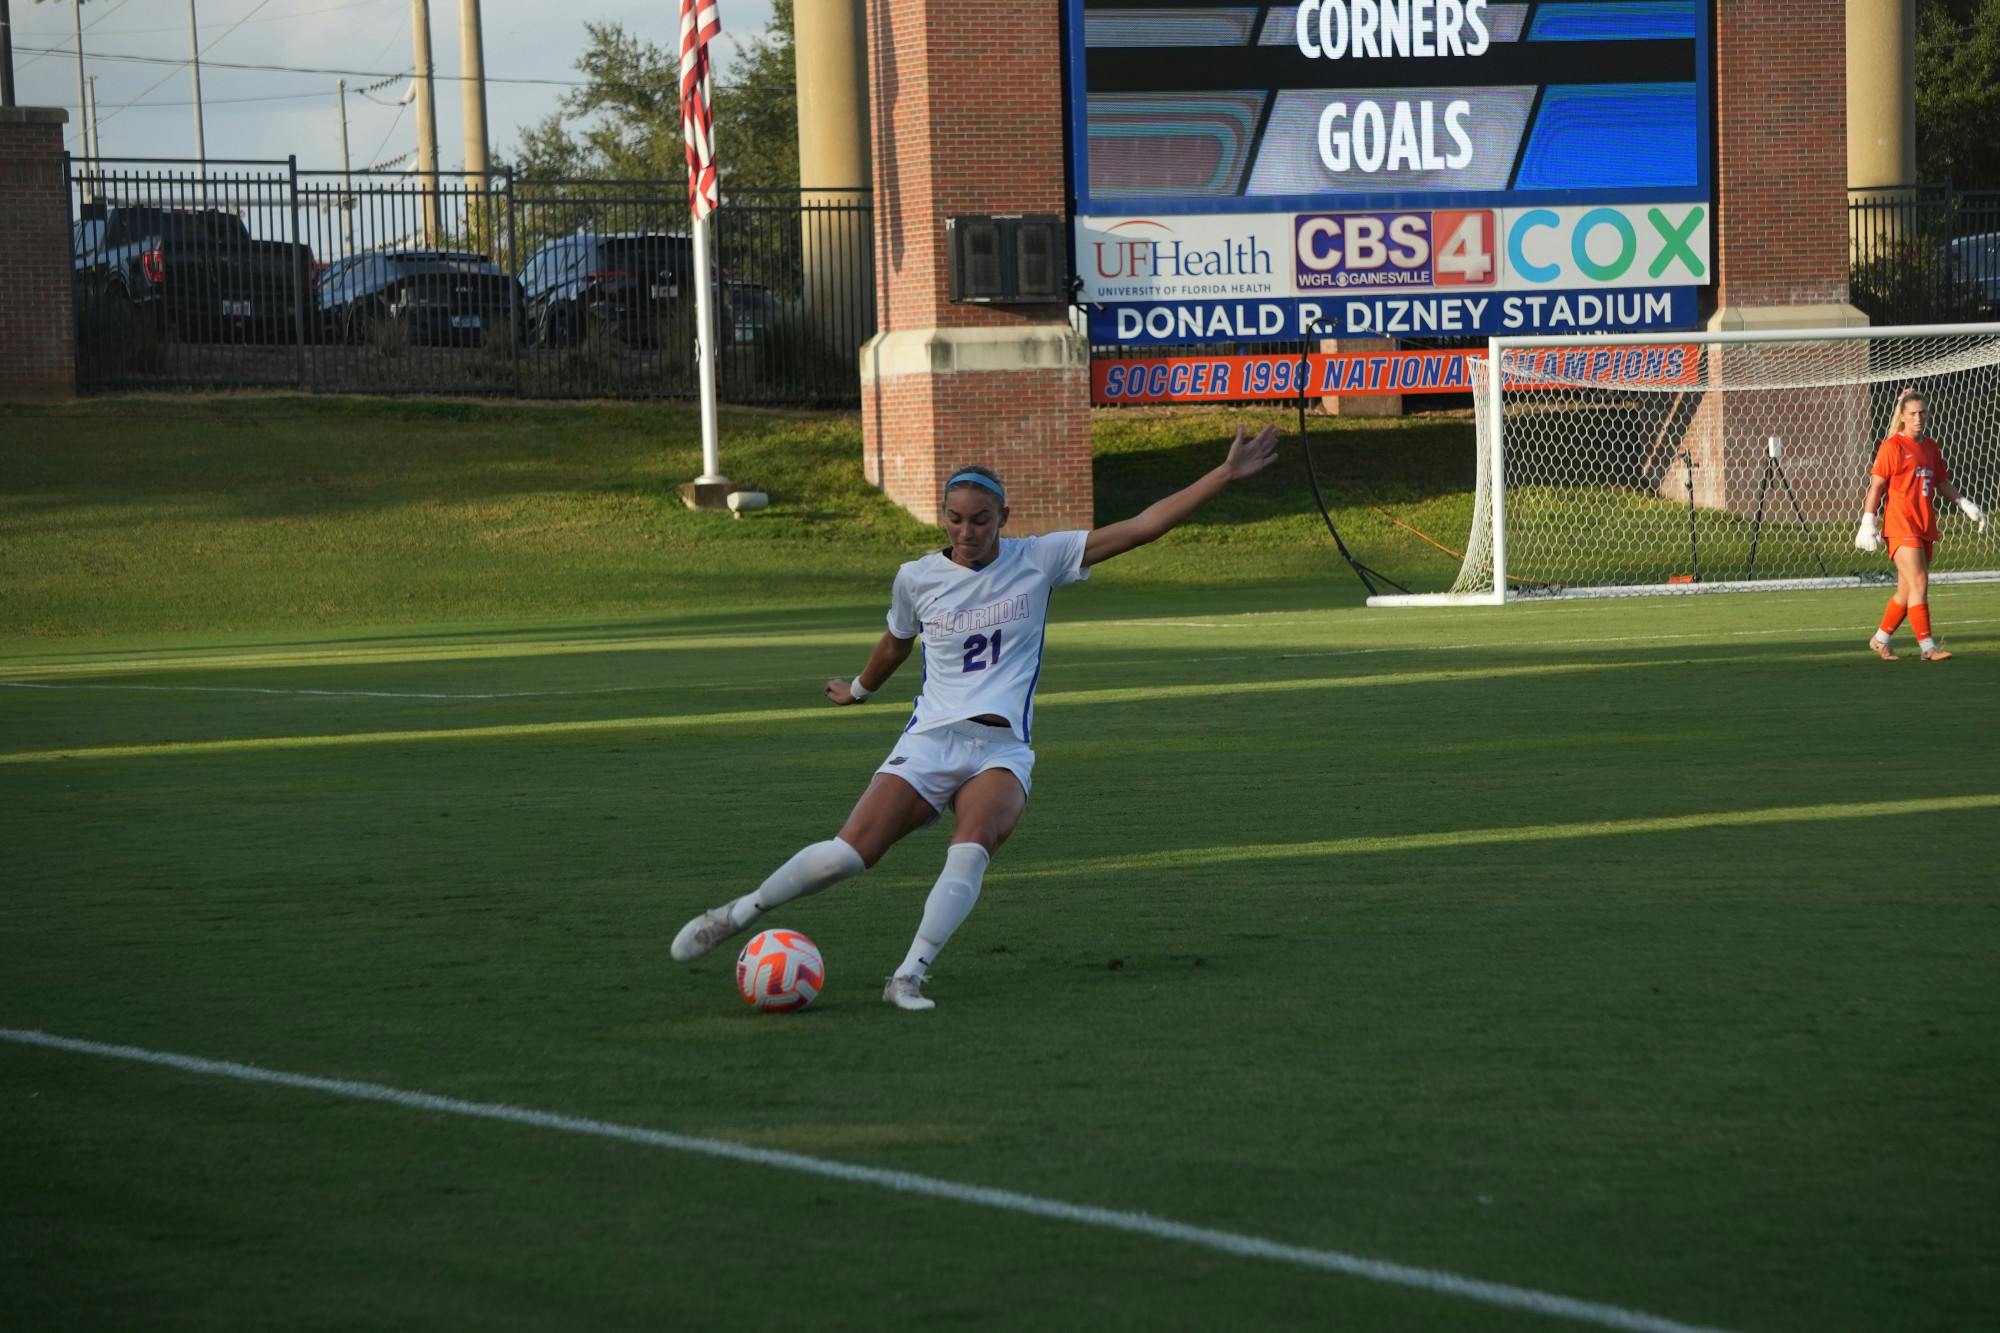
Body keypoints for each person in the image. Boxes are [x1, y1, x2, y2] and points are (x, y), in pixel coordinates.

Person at [671, 422, 1282, 1009]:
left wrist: (1223, 475)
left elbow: (1142, 526)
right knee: (847, 855)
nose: (968, 531)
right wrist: (859, 689)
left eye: (981, 520)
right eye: (956, 519)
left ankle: (908, 976)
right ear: (943, 518)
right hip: (931, 741)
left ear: (1004, 519)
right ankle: (739, 913)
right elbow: (895, 642)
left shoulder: (1039, 559)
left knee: (971, 847)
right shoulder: (916, 577)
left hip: (1000, 750)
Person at [1854, 386, 1987, 660]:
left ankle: (1880, 639)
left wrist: (1965, 505)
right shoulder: (1892, 446)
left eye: (1922, 413)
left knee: (1906, 590)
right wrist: (1868, 522)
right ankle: (1928, 647)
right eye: (1913, 413)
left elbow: (1941, 482)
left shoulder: (1930, 447)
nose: (1918, 418)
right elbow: (1876, 486)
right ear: (1902, 416)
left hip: (1924, 525)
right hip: (1900, 524)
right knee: (1919, 580)